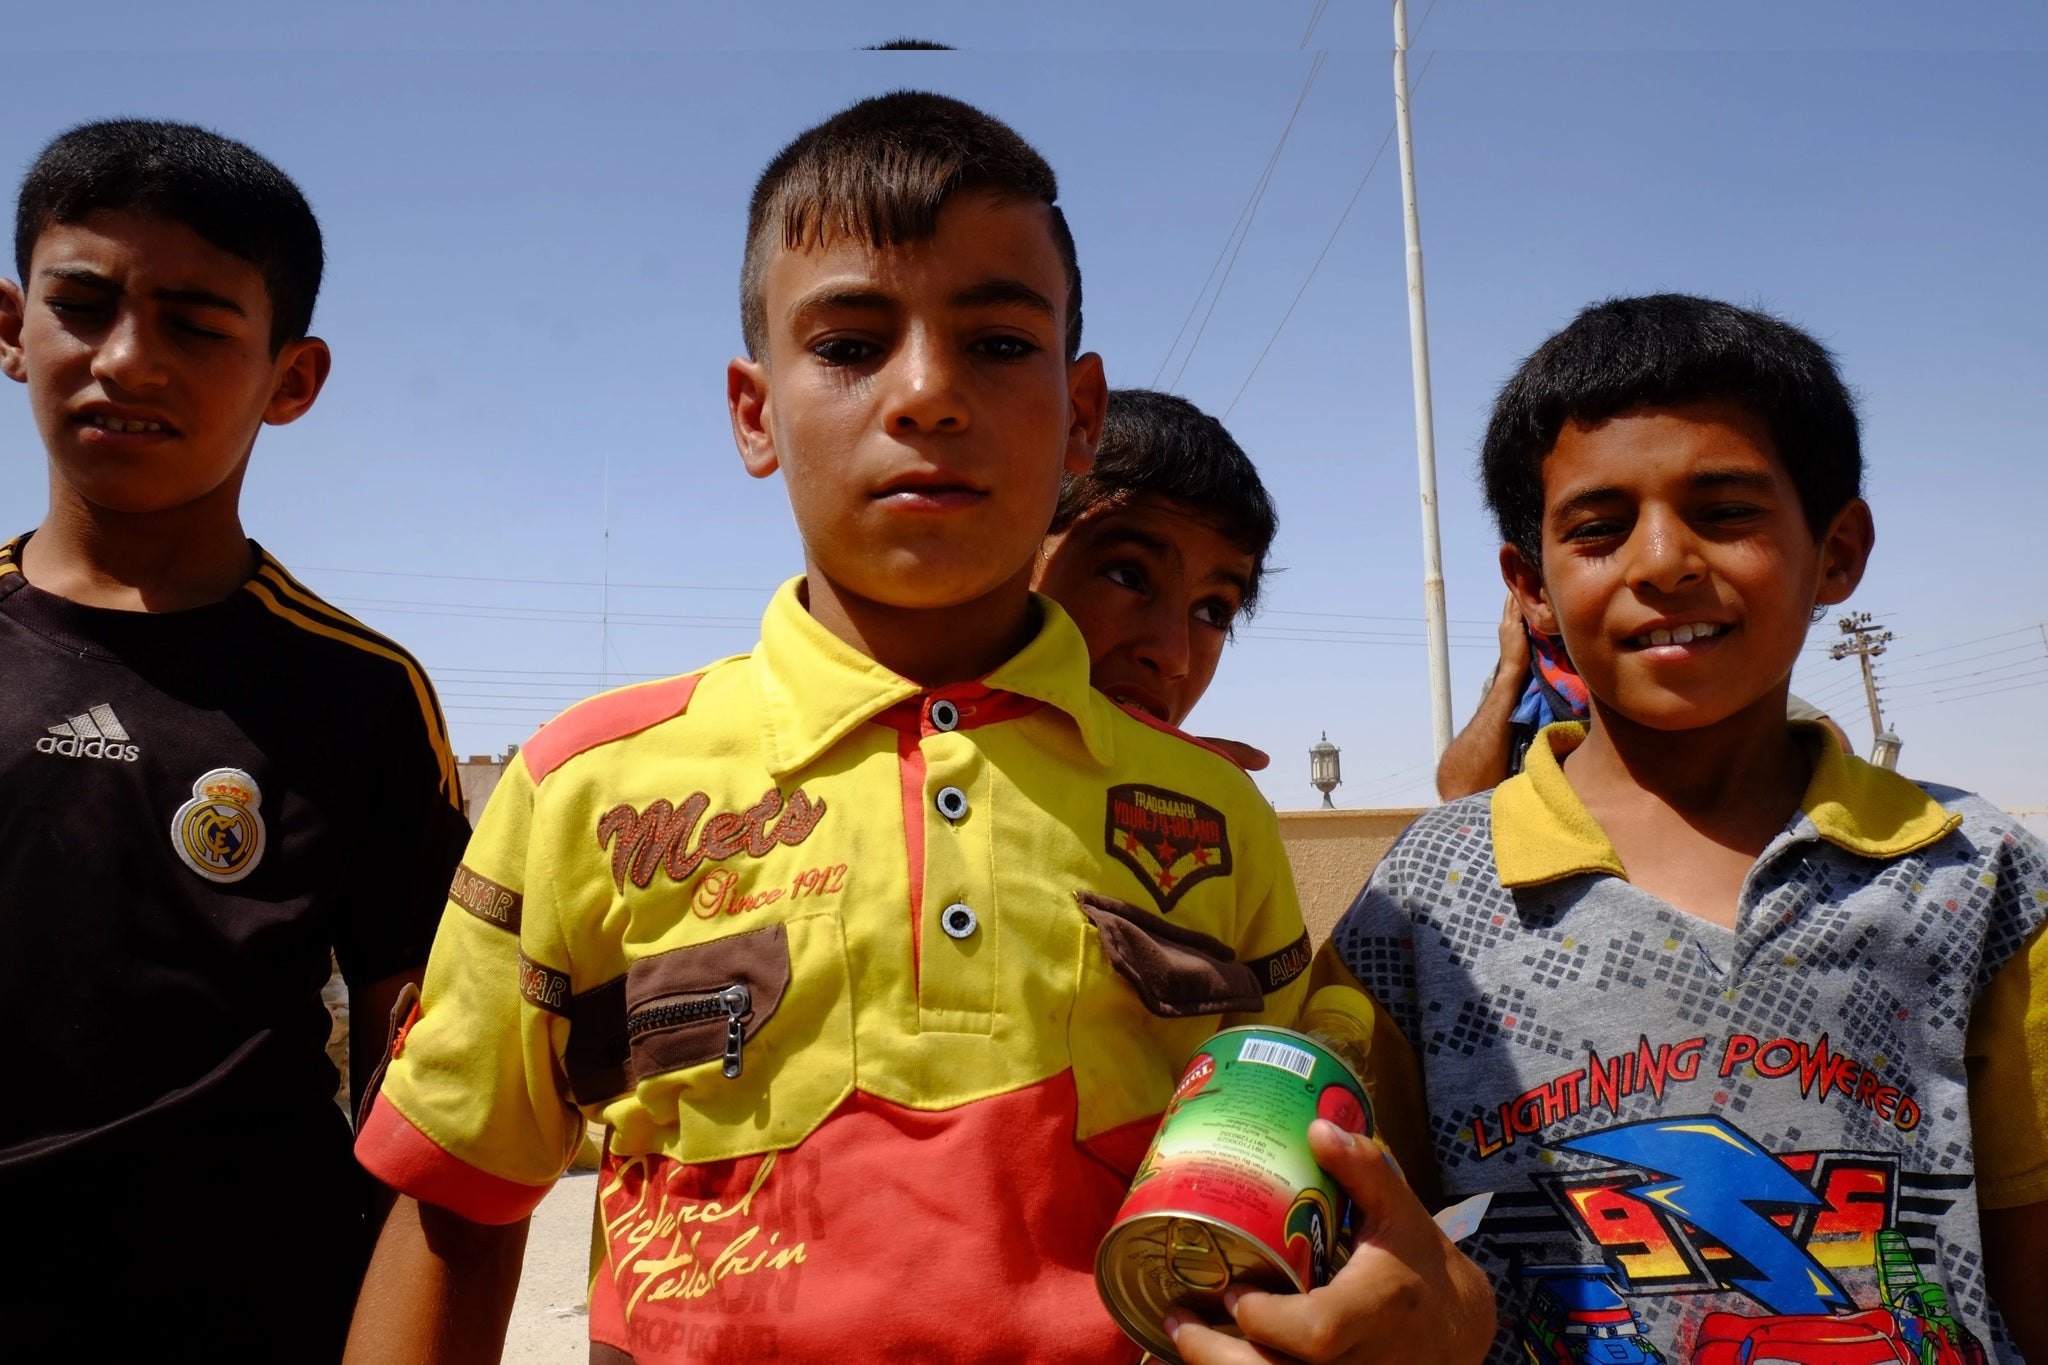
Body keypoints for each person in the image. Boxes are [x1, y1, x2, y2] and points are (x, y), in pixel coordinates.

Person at [345, 92, 1492, 1365]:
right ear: (753, 411)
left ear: (1081, 416)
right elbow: (459, 1203)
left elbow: (1300, 1192)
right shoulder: (589, 784)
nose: (929, 394)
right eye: (847, 343)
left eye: (998, 344)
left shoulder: (1212, 822)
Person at [1331, 294, 2048, 1362]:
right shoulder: (1423, 901)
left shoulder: (1973, 875)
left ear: (1836, 551)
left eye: (1723, 512)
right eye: (1595, 528)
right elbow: (1359, 1241)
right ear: (1529, 585)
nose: (1660, 561)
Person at [0, 120, 470, 1359]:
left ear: (291, 379)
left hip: (258, 1311)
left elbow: (415, 1083)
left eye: (198, 325)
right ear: (12, 330)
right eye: (84, 305)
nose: (127, 360)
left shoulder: (359, 695)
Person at [1033, 386, 1274, 751]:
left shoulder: (1211, 801)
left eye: (1213, 612)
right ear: (1014, 554)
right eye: (1127, 577)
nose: (1173, 656)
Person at [1436, 594, 1854, 801]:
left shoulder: (1659, 660)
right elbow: (1458, 792)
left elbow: (1831, 744)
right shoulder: (1524, 683)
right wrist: (1510, 669)